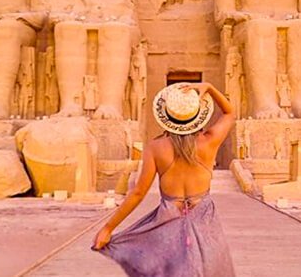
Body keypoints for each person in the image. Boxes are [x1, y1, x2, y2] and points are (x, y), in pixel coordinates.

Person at [92, 81, 236, 277]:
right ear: (198, 116)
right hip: (203, 215)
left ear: (166, 116)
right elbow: (229, 113)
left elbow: (138, 193)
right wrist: (209, 87)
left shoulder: (155, 147)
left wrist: (108, 229)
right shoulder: (209, 141)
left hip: (168, 217)